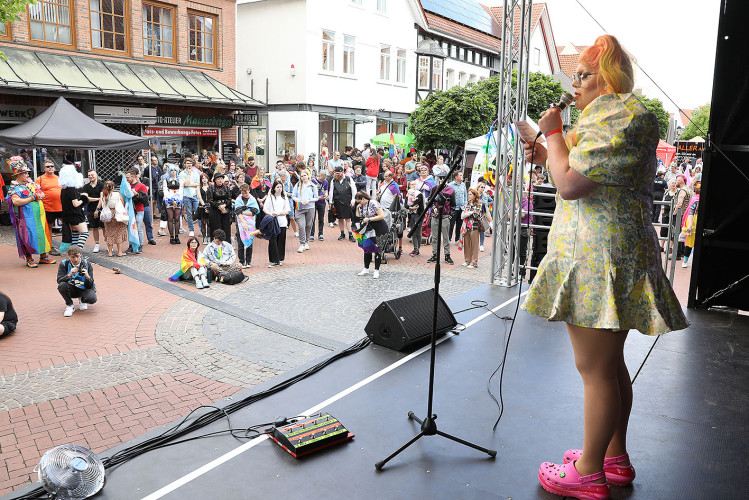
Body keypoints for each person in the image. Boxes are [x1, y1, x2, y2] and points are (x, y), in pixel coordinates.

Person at [521, 35, 688, 498]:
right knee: (610, 368)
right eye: (573, 75)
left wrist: (553, 134)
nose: (574, 84)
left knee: (593, 370)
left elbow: (570, 184)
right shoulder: (619, 118)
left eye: (584, 75)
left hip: (598, 258)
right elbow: (569, 166)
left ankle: (589, 471)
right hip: (614, 255)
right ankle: (614, 458)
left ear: (609, 78)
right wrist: (547, 144)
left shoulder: (616, 115)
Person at [6, 158, 56, 268]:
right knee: (26, 236)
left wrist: (35, 196)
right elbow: (16, 201)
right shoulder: (15, 187)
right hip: (25, 218)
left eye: (28, 172)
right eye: (25, 173)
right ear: (18, 174)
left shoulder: (32, 184)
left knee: (41, 235)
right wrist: (32, 197)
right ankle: (29, 259)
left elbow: (42, 195)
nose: (27, 174)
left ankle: (43, 257)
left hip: (39, 217)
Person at [353, 191, 388, 279]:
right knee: (367, 248)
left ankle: (376, 270)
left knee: (377, 249)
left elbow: (381, 215)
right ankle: (366, 268)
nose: (359, 203)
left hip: (379, 228)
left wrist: (369, 219)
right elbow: (359, 216)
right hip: (369, 229)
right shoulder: (363, 205)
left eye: (359, 201)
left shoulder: (373, 203)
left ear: (364, 199)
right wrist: (358, 208)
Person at [56, 246, 96, 317]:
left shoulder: (87, 264)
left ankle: (82, 299)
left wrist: (87, 277)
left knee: (92, 299)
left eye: (77, 256)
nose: (75, 259)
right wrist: (69, 275)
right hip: (72, 288)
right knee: (61, 286)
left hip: (84, 288)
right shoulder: (64, 264)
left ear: (80, 254)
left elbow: (90, 285)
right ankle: (70, 305)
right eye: (73, 257)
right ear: (68, 255)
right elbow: (59, 280)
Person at [36, 159, 65, 254]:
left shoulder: (59, 178)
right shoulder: (39, 179)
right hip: (47, 207)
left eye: (52, 166)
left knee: (68, 225)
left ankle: (68, 245)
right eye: (48, 166)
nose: (50, 168)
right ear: (44, 168)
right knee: (48, 227)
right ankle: (49, 247)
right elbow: (36, 192)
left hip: (61, 207)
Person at [58, 165, 89, 251]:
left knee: (75, 235)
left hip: (68, 216)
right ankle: (76, 253)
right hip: (75, 215)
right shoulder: (72, 189)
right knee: (84, 233)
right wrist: (83, 199)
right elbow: (75, 203)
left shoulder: (63, 189)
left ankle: (73, 254)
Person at [426, 181, 456, 265]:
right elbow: (430, 200)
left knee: (446, 237)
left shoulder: (451, 190)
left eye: (444, 177)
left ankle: (447, 255)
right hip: (435, 216)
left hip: (445, 217)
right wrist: (433, 207)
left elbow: (453, 205)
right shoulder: (435, 188)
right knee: (434, 237)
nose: (442, 179)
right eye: (440, 178)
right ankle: (435, 255)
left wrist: (450, 216)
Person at [96, 180, 128, 257]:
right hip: (116, 214)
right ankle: (120, 252)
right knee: (119, 232)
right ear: (113, 187)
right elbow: (122, 203)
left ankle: (110, 252)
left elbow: (100, 203)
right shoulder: (117, 194)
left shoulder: (103, 194)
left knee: (109, 233)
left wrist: (96, 210)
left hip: (107, 215)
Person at [264, 180, 290, 267]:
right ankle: (273, 259)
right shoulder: (270, 197)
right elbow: (265, 208)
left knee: (281, 240)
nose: (279, 189)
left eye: (280, 187)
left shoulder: (284, 198)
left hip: (282, 221)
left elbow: (287, 210)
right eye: (277, 187)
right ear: (274, 188)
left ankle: (279, 258)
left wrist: (279, 213)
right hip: (273, 221)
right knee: (272, 240)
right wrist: (271, 214)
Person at [328, 166, 357, 242]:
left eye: (338, 173)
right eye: (335, 173)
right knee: (340, 219)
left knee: (348, 218)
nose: (336, 175)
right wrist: (330, 202)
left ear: (342, 172)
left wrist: (353, 200)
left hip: (347, 201)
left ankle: (350, 234)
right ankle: (342, 234)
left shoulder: (348, 179)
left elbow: (354, 190)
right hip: (337, 201)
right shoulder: (333, 181)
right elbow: (331, 191)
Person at [234, 183, 260, 269]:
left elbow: (253, 212)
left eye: (246, 193)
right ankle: (241, 261)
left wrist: (243, 211)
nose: (244, 194)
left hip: (251, 223)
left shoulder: (252, 200)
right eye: (242, 193)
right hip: (240, 222)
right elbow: (237, 212)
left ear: (249, 190)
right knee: (240, 241)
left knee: (250, 240)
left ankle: (248, 261)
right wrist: (243, 222)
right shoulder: (238, 199)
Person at [292, 171, 317, 253]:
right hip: (300, 208)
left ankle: (306, 241)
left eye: (305, 175)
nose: (303, 177)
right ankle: (302, 243)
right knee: (301, 226)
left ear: (308, 176)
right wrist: (300, 200)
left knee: (309, 225)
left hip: (310, 207)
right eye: (302, 176)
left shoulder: (312, 186)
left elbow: (316, 197)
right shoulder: (298, 185)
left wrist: (309, 200)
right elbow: (293, 196)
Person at [459, 188, 484, 268]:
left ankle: (474, 262)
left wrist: (468, 213)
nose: (469, 196)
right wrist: (470, 212)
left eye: (470, 194)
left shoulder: (479, 203)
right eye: (468, 194)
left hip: (475, 226)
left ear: (474, 195)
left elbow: (476, 214)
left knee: (474, 244)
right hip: (466, 226)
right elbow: (463, 213)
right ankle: (467, 260)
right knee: (467, 244)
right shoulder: (468, 203)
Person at [81, 170, 103, 253]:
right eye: (89, 175)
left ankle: (108, 244)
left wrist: (97, 209)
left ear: (96, 175)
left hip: (102, 209)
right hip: (90, 210)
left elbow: (102, 198)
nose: (90, 176)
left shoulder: (101, 185)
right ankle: (97, 244)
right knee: (94, 227)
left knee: (104, 227)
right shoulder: (86, 186)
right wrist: (98, 199)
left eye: (92, 175)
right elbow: (86, 198)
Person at [206, 172, 233, 241]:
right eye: (218, 179)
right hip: (215, 210)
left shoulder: (226, 188)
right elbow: (210, 200)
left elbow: (229, 199)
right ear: (215, 180)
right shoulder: (211, 188)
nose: (220, 180)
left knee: (226, 227)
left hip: (225, 209)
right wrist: (219, 206)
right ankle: (215, 242)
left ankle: (226, 243)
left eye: (221, 179)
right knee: (215, 227)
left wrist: (224, 205)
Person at [180, 157, 202, 238]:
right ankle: (191, 230)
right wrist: (188, 174)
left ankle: (201, 230)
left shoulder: (196, 172)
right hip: (186, 195)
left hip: (195, 195)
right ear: (185, 164)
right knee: (189, 214)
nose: (189, 164)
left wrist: (189, 185)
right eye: (187, 163)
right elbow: (184, 184)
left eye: (190, 163)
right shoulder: (182, 174)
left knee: (198, 213)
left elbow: (198, 183)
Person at [162, 164, 184, 244]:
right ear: (169, 171)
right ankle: (171, 237)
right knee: (170, 218)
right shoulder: (166, 180)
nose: (173, 172)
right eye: (171, 170)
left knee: (177, 218)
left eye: (175, 170)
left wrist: (177, 200)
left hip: (178, 201)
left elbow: (181, 191)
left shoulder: (180, 180)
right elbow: (165, 191)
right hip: (169, 201)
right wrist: (171, 200)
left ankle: (177, 236)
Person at [681, 183, 700, 268]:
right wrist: (690, 225)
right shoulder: (696, 200)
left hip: (695, 222)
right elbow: (691, 213)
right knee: (690, 243)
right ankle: (685, 261)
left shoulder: (695, 199)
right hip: (694, 223)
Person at [405, 180, 425, 256]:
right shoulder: (408, 194)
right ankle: (415, 248)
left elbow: (417, 205)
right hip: (411, 215)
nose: (414, 185)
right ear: (409, 186)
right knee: (413, 232)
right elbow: (405, 205)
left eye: (415, 184)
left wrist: (410, 207)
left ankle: (417, 249)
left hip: (418, 215)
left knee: (418, 232)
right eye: (412, 184)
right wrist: (410, 207)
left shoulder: (419, 194)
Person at [448, 171, 467, 243]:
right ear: (456, 177)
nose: (462, 176)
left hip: (461, 208)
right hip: (453, 208)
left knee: (459, 224)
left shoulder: (463, 185)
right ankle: (449, 239)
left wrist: (465, 204)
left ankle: (457, 239)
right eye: (460, 175)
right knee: (451, 224)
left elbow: (465, 195)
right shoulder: (450, 185)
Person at [311, 171, 328, 240]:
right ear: (319, 176)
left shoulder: (325, 182)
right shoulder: (313, 181)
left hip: (322, 202)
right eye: (321, 179)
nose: (322, 180)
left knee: (321, 218)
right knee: (312, 218)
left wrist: (326, 194)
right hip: (314, 201)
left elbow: (326, 190)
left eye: (323, 179)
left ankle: (320, 234)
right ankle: (311, 234)